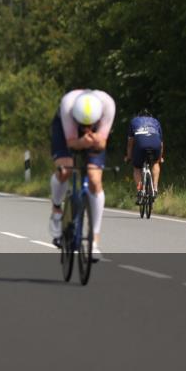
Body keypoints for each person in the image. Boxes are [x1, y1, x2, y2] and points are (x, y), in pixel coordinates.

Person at [49, 89, 116, 259]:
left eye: (90, 125)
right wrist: (80, 141)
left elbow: (102, 145)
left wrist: (96, 140)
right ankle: (56, 210)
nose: (86, 129)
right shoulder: (68, 106)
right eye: (83, 126)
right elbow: (71, 143)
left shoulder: (108, 105)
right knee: (65, 170)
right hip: (66, 130)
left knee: (94, 180)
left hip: (96, 133)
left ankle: (94, 241)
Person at [124, 110, 164, 203]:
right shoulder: (155, 121)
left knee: (137, 167)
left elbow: (130, 143)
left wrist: (129, 156)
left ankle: (140, 191)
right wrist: (160, 158)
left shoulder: (134, 121)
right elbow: (161, 144)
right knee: (155, 163)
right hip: (155, 143)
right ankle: (155, 189)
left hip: (141, 144)